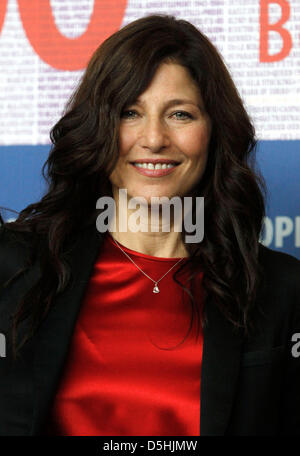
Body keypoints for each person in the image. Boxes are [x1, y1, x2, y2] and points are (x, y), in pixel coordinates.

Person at [0, 14, 299, 437]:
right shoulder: (15, 267)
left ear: (215, 131)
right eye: (130, 113)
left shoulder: (280, 289)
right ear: (98, 129)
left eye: (179, 114)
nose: (154, 138)